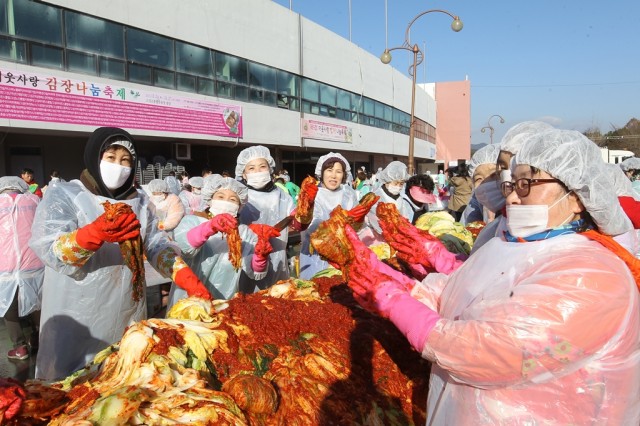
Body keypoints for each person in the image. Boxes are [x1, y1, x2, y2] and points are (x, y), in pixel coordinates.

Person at [341, 127, 640, 424]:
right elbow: (459, 292)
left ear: (576, 197)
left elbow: (491, 350)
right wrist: (397, 285)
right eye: (511, 185)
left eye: (527, 184)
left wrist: (398, 304)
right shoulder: (511, 244)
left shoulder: (593, 275)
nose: (510, 198)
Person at [29, 127, 212, 381]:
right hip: (75, 314)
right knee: (70, 390)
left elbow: (156, 245)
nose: (119, 166)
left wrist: (184, 276)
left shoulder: (140, 202)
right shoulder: (66, 195)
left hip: (126, 309)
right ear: (95, 156)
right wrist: (91, 234)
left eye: (126, 160)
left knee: (122, 377)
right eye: (111, 157)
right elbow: (51, 250)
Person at [167, 175, 277, 305]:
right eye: (220, 197)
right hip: (188, 298)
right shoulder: (192, 221)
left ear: (240, 206)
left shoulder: (243, 232)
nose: (226, 202)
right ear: (210, 199)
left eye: (233, 200)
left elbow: (255, 272)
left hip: (225, 299)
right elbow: (184, 248)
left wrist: (260, 257)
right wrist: (210, 227)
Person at [471, 121, 554, 254]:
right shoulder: (503, 224)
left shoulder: (572, 253)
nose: (507, 179)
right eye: (502, 170)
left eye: (525, 178)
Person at [236, 146, 295, 292]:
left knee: (279, 300)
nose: (257, 172)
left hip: (278, 259)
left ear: (270, 169)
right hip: (246, 259)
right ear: (243, 173)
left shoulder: (283, 196)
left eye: (262, 166)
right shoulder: (238, 197)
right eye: (251, 168)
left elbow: (295, 222)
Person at [0, 177, 43, 360]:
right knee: (36, 302)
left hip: (5, 265)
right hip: (34, 261)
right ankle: (39, 339)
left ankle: (20, 347)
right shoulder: (34, 201)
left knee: (8, 306)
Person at [299, 152, 359, 280]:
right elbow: (309, 224)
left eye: (338, 171)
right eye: (329, 170)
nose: (333, 175)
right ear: (321, 172)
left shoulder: (348, 194)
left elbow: (356, 224)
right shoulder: (312, 193)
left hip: (343, 254)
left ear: (344, 175)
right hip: (315, 254)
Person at [365, 161, 411, 237]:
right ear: (387, 181)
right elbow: (375, 222)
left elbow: (405, 217)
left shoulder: (400, 198)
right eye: (396, 183)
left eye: (401, 184)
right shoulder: (376, 197)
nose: (398, 186)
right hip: (378, 238)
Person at [461, 144, 502, 225]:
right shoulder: (476, 202)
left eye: (494, 174)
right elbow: (466, 230)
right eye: (479, 179)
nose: (487, 182)